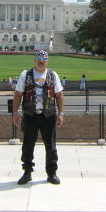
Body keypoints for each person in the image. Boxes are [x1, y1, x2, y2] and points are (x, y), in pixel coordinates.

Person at [12, 50, 65, 185]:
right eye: (39, 60)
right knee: (28, 145)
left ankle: (52, 173)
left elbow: (59, 95)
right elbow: (18, 94)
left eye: (43, 60)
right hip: (31, 115)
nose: (41, 62)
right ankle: (27, 172)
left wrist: (61, 113)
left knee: (51, 146)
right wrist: (15, 113)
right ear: (34, 61)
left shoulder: (53, 75)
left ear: (47, 62)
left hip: (49, 115)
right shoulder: (26, 75)